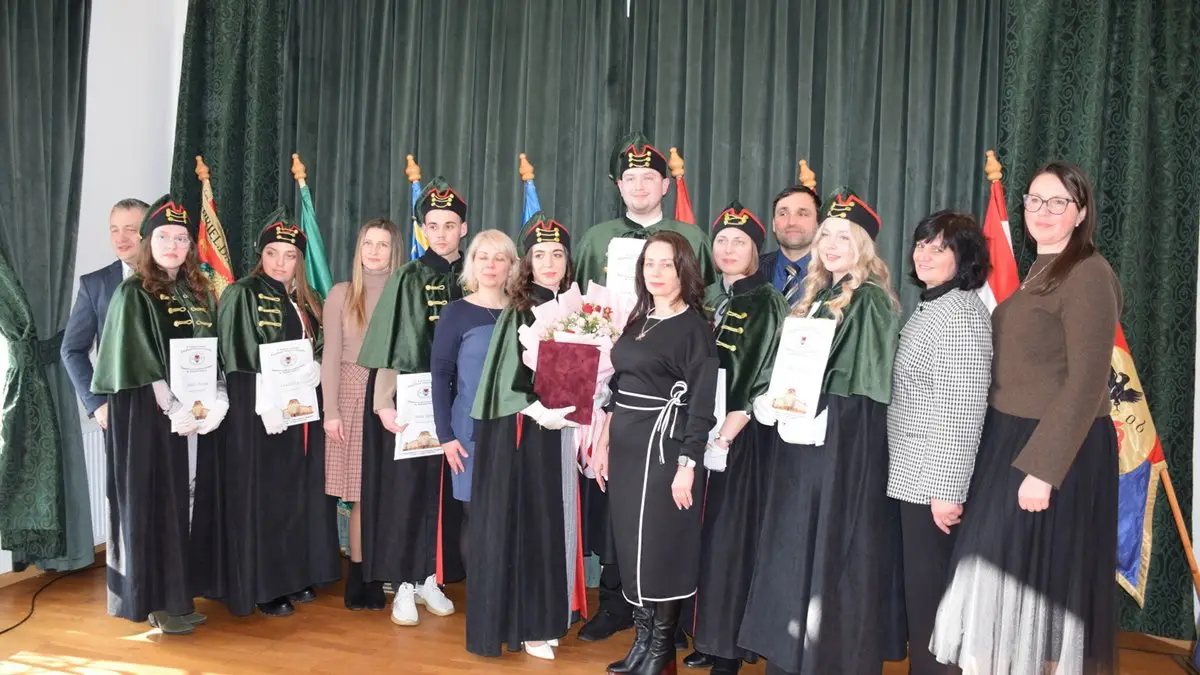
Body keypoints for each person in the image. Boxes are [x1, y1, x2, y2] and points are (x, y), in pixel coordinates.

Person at [931, 162, 1122, 675]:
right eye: (1034, 200)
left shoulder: (1089, 273)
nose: (1043, 211)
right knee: (1004, 591)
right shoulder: (1041, 268)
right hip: (1009, 438)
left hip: (1054, 450)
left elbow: (1087, 382)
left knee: (1043, 594)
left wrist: (1044, 469)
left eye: (1058, 202)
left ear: (1080, 212)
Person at [740, 188, 906, 675]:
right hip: (800, 444)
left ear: (863, 245)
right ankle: (792, 653)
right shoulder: (814, 297)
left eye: (844, 237)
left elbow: (864, 382)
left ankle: (826, 658)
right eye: (827, 234)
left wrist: (823, 418)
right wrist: (770, 398)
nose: (831, 245)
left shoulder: (870, 300)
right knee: (795, 544)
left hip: (839, 448)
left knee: (830, 548)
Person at [573, 132, 718, 643]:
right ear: (618, 185)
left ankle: (663, 623)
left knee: (660, 518)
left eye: (648, 177)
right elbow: (576, 306)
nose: (638, 186)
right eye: (629, 178)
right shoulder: (595, 237)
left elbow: (704, 311)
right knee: (614, 502)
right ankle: (616, 602)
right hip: (612, 385)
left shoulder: (690, 237)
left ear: (665, 184)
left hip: (665, 398)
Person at [90, 195, 221, 635]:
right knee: (154, 503)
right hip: (147, 415)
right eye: (164, 237)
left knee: (181, 503)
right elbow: (142, 361)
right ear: (149, 241)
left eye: (181, 238)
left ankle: (178, 597)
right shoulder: (134, 292)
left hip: (187, 414)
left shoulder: (195, 290)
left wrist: (215, 398)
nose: (173, 245)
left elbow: (208, 351)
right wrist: (173, 407)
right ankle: (155, 602)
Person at [592, 230, 720, 675]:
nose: (657, 272)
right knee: (632, 545)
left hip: (665, 449)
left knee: (661, 547)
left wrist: (688, 465)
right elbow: (620, 388)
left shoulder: (694, 329)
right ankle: (643, 643)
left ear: (684, 270)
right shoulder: (639, 318)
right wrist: (603, 443)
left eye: (667, 263)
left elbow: (701, 405)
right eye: (650, 263)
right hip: (626, 446)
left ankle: (662, 650)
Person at [208, 208, 340, 617]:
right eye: (272, 253)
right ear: (260, 254)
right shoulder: (242, 293)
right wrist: (265, 403)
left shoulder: (304, 300)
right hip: (259, 418)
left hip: (299, 414)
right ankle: (264, 587)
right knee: (264, 499)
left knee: (293, 496)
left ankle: (292, 575)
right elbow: (236, 355)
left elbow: (316, 347)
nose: (280, 263)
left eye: (289, 255)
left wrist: (315, 366)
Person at [467, 215, 582, 660]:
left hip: (554, 431)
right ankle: (525, 627)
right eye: (540, 254)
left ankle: (544, 619)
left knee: (547, 524)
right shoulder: (521, 307)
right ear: (527, 262)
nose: (549, 263)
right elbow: (506, 378)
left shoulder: (573, 307)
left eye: (557, 254)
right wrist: (538, 410)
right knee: (525, 525)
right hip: (519, 432)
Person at [357, 177, 467, 626]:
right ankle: (403, 582)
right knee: (406, 492)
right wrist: (384, 402)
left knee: (443, 494)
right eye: (432, 225)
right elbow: (389, 344)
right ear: (422, 229)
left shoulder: (474, 276)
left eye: (449, 225)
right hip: (412, 402)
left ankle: (429, 577)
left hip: (459, 405)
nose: (441, 233)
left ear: (463, 228)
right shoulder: (407, 277)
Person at [887, 211, 992, 675]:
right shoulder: (935, 304)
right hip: (915, 476)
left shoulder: (960, 316)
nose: (924, 255)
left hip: (933, 484)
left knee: (934, 602)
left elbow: (962, 412)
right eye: (921, 244)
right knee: (924, 599)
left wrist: (946, 491)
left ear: (963, 258)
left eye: (940, 248)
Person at [688, 202, 788, 674]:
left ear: (755, 250)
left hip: (739, 438)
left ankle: (728, 647)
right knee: (705, 535)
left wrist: (724, 438)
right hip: (702, 428)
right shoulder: (709, 297)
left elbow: (758, 375)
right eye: (722, 240)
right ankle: (706, 636)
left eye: (740, 242)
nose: (728, 249)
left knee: (731, 538)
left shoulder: (767, 300)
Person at [320, 218, 400, 610]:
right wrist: (330, 410)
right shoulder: (341, 293)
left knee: (389, 491)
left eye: (383, 244)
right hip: (352, 394)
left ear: (394, 250)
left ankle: (388, 570)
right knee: (359, 493)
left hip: (394, 395)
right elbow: (331, 355)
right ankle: (360, 574)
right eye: (368, 243)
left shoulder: (404, 290)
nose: (374, 251)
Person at [431, 229, 517, 554]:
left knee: (508, 515)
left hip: (514, 430)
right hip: (468, 431)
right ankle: (480, 586)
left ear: (511, 266)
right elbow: (441, 376)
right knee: (475, 513)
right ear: (472, 263)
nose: (490, 265)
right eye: (483, 257)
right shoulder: (456, 312)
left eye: (499, 258)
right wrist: (445, 436)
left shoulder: (523, 312)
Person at [63, 197, 149, 431]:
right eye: (114, 230)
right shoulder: (94, 285)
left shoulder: (174, 280)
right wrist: (97, 403)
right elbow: (71, 349)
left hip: (172, 411)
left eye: (130, 229)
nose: (120, 238)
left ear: (149, 231)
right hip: (119, 412)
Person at [760, 185, 821, 308]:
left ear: (818, 223)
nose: (791, 222)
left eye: (802, 214)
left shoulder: (835, 275)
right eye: (783, 214)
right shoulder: (752, 270)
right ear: (773, 224)